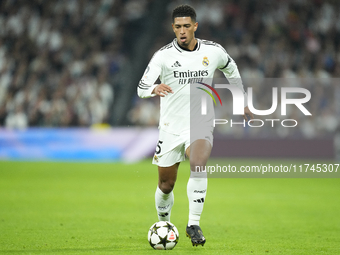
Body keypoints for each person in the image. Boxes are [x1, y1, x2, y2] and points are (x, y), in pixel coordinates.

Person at [137, 4, 253, 246]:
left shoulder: (213, 51)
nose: (182, 31)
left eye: (186, 26)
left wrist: (241, 99)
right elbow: (141, 87)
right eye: (178, 27)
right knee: (166, 185)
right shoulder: (163, 56)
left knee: (198, 164)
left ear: (195, 26)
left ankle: (193, 224)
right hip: (170, 126)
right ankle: (164, 223)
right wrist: (154, 89)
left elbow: (231, 69)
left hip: (199, 123)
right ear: (173, 28)